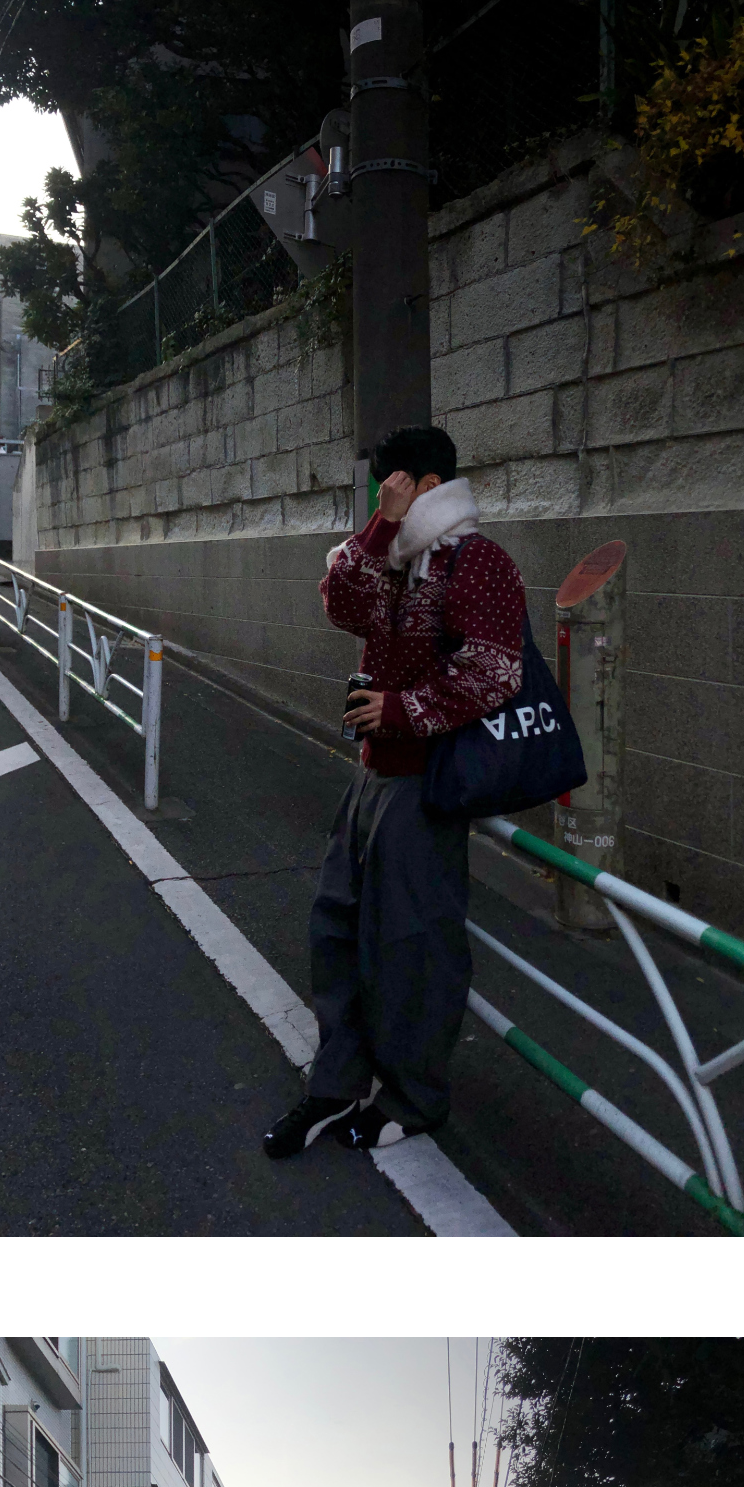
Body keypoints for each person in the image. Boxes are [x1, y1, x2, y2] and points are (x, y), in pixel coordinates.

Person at [263, 423, 526, 1160]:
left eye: (393, 486)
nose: (383, 497)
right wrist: (381, 526)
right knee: (337, 926)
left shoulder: (477, 561)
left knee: (412, 945)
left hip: (425, 783)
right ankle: (338, 1082)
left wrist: (402, 710)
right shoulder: (399, 561)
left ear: (427, 485)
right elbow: (338, 601)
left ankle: (413, 1099)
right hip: (373, 774)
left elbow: (496, 672)